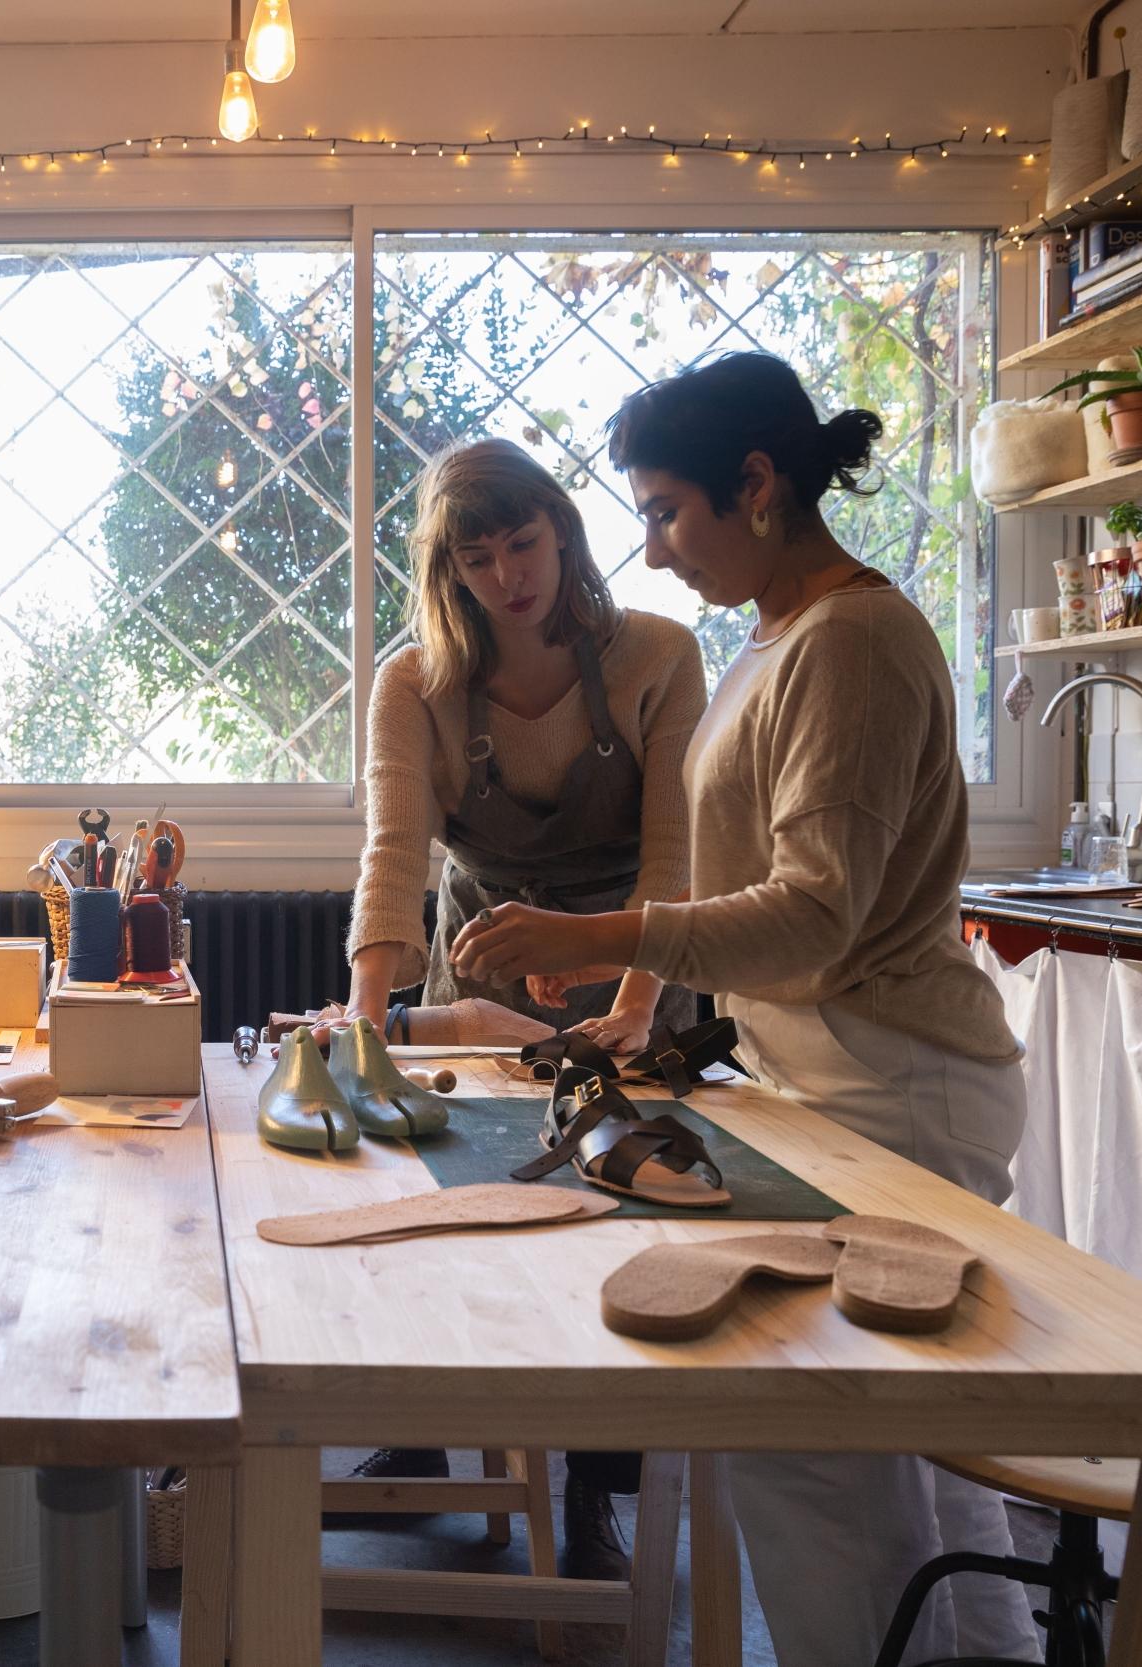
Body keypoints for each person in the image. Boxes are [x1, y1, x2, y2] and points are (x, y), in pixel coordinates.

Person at [445, 352, 1035, 1667]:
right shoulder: (779, 635)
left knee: (819, 1454)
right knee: (902, 1473)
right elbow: (731, 885)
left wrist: (597, 932)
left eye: (663, 509)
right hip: (832, 1079)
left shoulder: (856, 641)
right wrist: (643, 1004)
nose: (649, 550)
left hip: (900, 1083)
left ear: (755, 483)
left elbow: (816, 915)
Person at [334, 436, 707, 1577]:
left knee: (617, 1226)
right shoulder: (414, 682)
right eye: (479, 556)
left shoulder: (656, 653)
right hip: (485, 958)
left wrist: (637, 1003)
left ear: (562, 531)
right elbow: (393, 851)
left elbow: (676, 854)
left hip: (634, 956)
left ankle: (591, 1491)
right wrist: (363, 1027)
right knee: (457, 1198)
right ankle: (422, 1428)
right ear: (448, 569)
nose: (509, 576)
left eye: (524, 544)